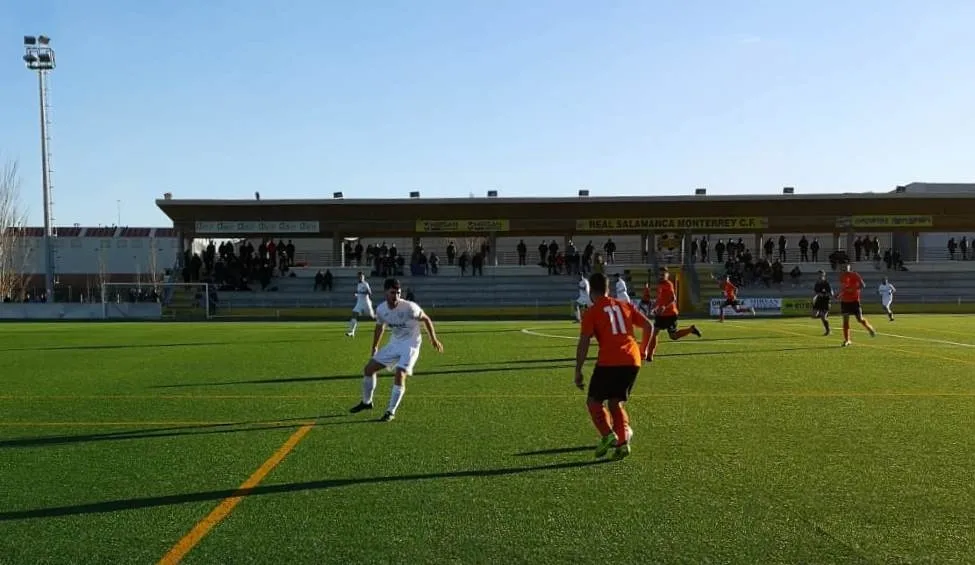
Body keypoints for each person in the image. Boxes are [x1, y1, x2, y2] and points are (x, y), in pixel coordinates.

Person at [574, 273, 653, 461]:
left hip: (610, 361)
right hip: (632, 360)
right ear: (608, 289)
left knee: (594, 402)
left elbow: (584, 342)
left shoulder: (592, 312)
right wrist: (643, 351)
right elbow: (648, 325)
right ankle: (623, 444)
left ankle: (608, 435)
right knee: (615, 402)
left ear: (591, 291)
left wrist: (578, 370)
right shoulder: (624, 305)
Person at [349, 278, 444, 421]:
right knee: (369, 369)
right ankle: (367, 402)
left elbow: (426, 319)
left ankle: (390, 411)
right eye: (393, 293)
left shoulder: (410, 307)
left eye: (398, 293)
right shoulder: (381, 309)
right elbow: (380, 327)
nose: (396, 296)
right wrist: (375, 346)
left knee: (400, 373)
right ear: (385, 293)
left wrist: (433, 339)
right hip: (395, 343)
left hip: (411, 345)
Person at [646, 268, 701, 361]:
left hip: (670, 314)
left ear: (667, 275)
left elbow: (673, 298)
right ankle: (649, 355)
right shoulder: (660, 285)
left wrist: (664, 307)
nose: (661, 276)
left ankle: (691, 329)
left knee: (673, 336)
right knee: (654, 333)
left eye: (663, 275)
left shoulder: (668, 284)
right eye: (660, 275)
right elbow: (660, 299)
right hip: (660, 315)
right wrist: (654, 307)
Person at [838, 263, 876, 347]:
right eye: (843, 267)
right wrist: (839, 295)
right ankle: (847, 340)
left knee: (860, 319)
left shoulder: (855, 275)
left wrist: (853, 289)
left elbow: (863, 285)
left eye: (846, 266)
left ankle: (870, 328)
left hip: (855, 301)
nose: (844, 268)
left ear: (849, 267)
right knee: (845, 321)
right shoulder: (842, 277)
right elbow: (843, 289)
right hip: (845, 301)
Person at [346, 272, 374, 337]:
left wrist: (361, 293)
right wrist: (357, 295)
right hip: (359, 302)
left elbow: (370, 293)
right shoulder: (358, 284)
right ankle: (352, 332)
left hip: (366, 303)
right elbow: (360, 294)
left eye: (361, 277)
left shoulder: (365, 284)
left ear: (363, 277)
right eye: (359, 277)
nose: (360, 278)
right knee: (354, 314)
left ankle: (386, 323)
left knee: (372, 317)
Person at [811, 270, 833, 335]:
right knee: (813, 315)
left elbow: (831, 293)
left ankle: (828, 330)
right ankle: (822, 315)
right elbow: (816, 292)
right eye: (819, 275)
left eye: (821, 275)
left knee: (823, 317)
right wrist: (815, 296)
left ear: (824, 275)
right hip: (818, 301)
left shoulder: (826, 283)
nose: (820, 276)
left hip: (826, 301)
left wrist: (824, 294)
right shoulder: (817, 283)